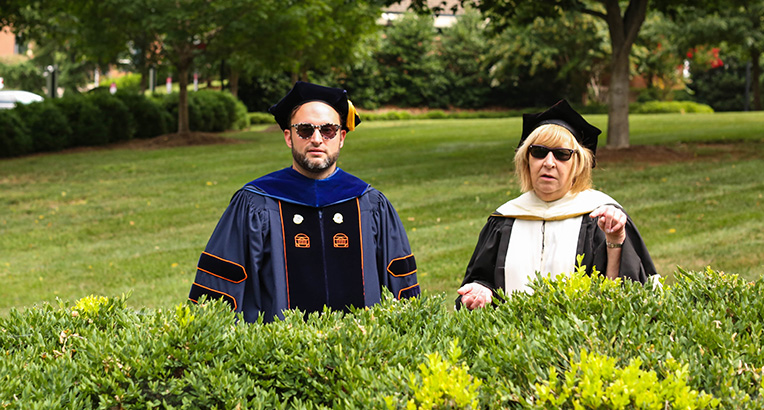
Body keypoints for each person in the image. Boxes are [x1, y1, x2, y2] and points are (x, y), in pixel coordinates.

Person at [189, 81, 420, 322]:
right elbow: (219, 287)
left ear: (341, 137)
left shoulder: (370, 203)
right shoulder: (255, 203)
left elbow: (401, 284)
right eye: (305, 130)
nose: (317, 139)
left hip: (359, 353)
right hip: (281, 354)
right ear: (289, 137)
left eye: (328, 130)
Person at [457, 99, 656, 309]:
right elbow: (481, 279)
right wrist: (481, 290)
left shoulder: (601, 216)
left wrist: (615, 241)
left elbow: (625, 298)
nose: (549, 162)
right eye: (539, 152)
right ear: (527, 160)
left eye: (562, 155)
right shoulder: (505, 219)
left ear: (578, 164)